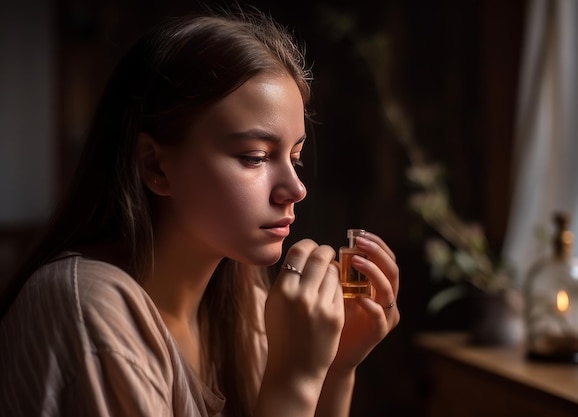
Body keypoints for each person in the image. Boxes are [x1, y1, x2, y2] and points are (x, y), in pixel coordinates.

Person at [0, 8, 400, 417]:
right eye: (254, 157)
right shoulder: (87, 307)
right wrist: (294, 380)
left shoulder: (245, 306)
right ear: (156, 166)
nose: (295, 189)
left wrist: (336, 367)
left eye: (294, 157)